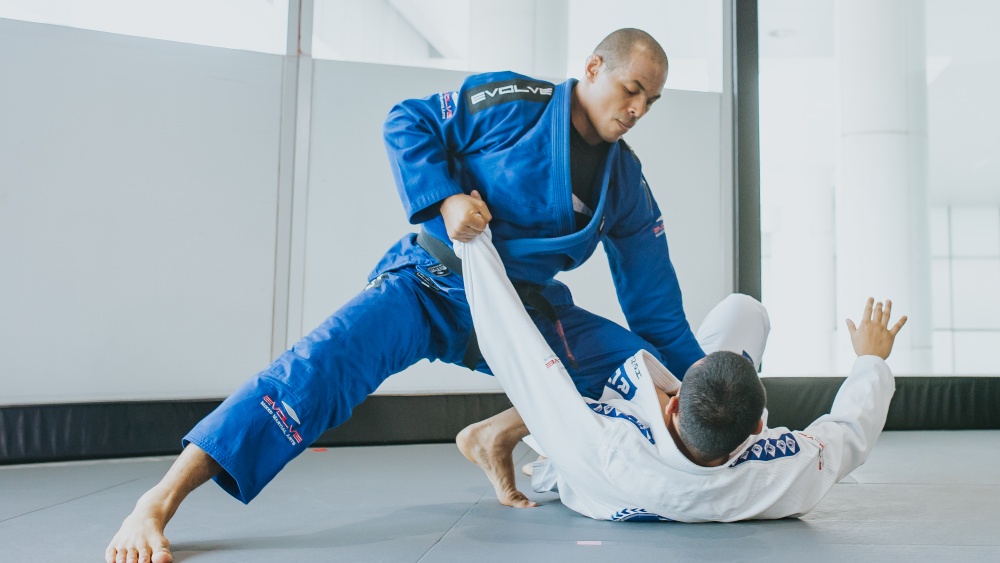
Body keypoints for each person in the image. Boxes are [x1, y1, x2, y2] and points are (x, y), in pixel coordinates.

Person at [107, 28, 706, 563]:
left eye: (650, 101)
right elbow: (407, 120)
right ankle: (158, 501)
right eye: (631, 89)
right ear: (594, 68)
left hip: (520, 311)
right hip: (428, 285)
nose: (637, 110)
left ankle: (495, 433)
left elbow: (657, 309)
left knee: (641, 373)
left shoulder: (626, 184)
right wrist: (446, 199)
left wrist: (711, 394)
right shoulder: (515, 102)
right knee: (313, 370)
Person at [455, 227, 907, 521]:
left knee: (559, 390)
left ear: (673, 402)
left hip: (583, 464)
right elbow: (850, 432)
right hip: (614, 471)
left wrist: (473, 241)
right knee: (745, 310)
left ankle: (499, 434)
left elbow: (523, 354)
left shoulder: (601, 441)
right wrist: (871, 358)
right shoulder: (783, 473)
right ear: (758, 426)